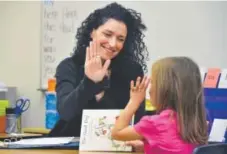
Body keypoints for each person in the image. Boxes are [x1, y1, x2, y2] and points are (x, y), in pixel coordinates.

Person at [48, 2, 149, 137]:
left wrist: (101, 93)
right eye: (107, 34)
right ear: (92, 32)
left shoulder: (132, 70)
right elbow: (66, 112)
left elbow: (136, 120)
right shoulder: (70, 66)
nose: (113, 44)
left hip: (114, 145)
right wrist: (89, 82)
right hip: (69, 144)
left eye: (120, 39)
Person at [111, 57, 208, 154]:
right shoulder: (198, 121)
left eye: (152, 83)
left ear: (164, 89)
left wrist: (134, 101)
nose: (149, 90)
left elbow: (117, 133)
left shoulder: (154, 123)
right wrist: (146, 147)